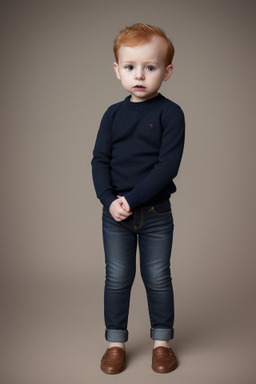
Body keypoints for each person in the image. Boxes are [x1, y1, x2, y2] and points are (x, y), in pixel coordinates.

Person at [91, 23, 185, 374]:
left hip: (156, 213)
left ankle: (162, 343)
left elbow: (166, 167)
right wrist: (108, 200)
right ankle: (115, 343)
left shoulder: (171, 114)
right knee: (117, 277)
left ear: (167, 71)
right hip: (115, 215)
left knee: (158, 276)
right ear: (117, 71)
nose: (140, 75)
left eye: (151, 67)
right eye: (130, 67)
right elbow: (100, 160)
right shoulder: (112, 115)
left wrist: (131, 199)